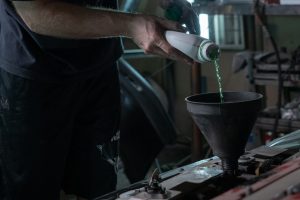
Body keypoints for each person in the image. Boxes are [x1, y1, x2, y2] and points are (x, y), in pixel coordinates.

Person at [0, 0, 195, 199]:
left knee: (99, 186)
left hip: (99, 63)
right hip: (35, 71)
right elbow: (36, 12)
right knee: (30, 190)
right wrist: (131, 24)